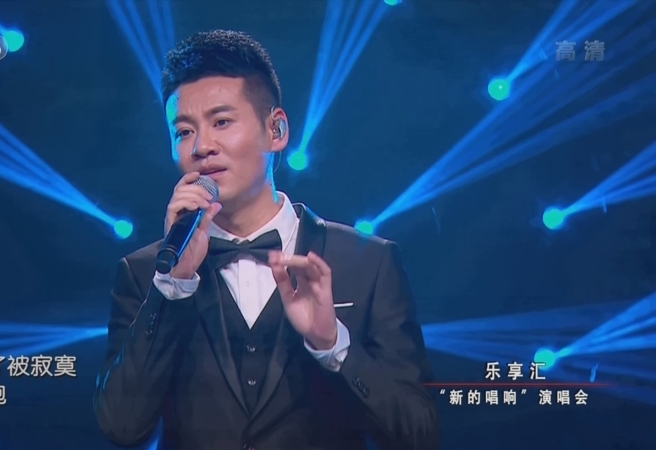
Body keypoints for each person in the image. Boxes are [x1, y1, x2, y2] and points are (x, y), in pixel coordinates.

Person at [94, 29, 439, 450]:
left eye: (222, 122)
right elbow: (122, 427)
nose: (202, 146)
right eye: (183, 132)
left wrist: (334, 346)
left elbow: (418, 434)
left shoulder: (367, 262)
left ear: (276, 130)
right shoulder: (147, 272)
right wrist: (173, 286)